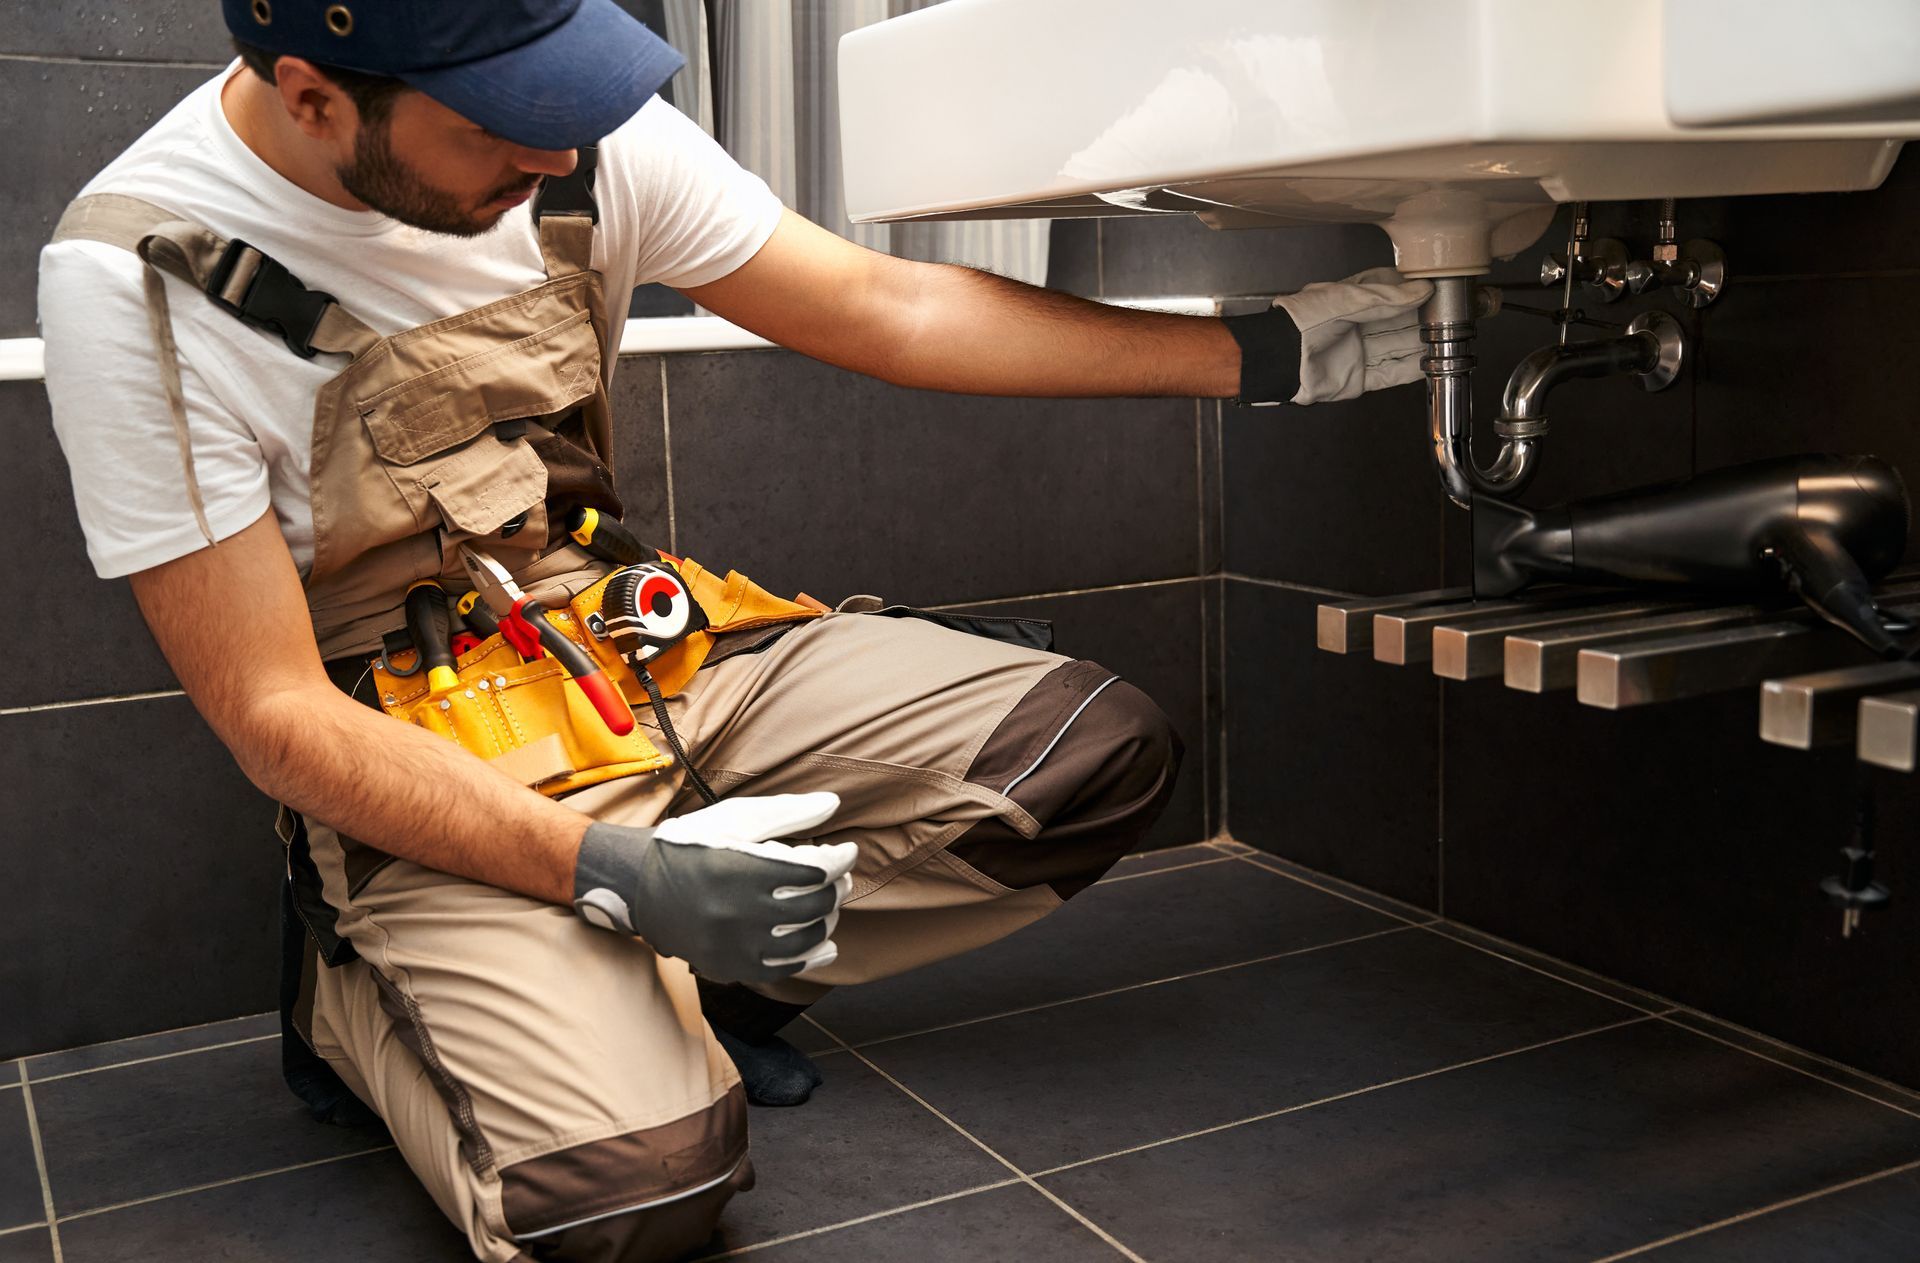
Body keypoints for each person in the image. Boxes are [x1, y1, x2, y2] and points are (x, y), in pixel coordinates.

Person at [36, 2, 1434, 1258]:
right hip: (420, 738)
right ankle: (356, 1002)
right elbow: (275, 714)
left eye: (561, 105)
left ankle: (667, 979)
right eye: (497, 130)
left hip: (626, 649)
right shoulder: (139, 275)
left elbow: (881, 305)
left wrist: (1262, 352)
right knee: (630, 1194)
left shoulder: (563, 126)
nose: (552, 154)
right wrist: (612, 870)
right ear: (315, 95)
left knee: (1082, 758)